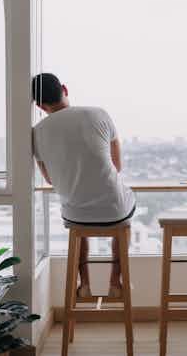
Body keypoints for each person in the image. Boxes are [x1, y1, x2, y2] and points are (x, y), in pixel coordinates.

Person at [32, 73, 135, 298]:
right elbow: (117, 166)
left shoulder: (37, 132)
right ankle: (115, 281)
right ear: (65, 89)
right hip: (114, 210)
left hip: (75, 214)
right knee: (124, 221)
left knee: (79, 221)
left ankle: (84, 283)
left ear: (40, 105)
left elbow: (50, 179)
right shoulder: (98, 113)